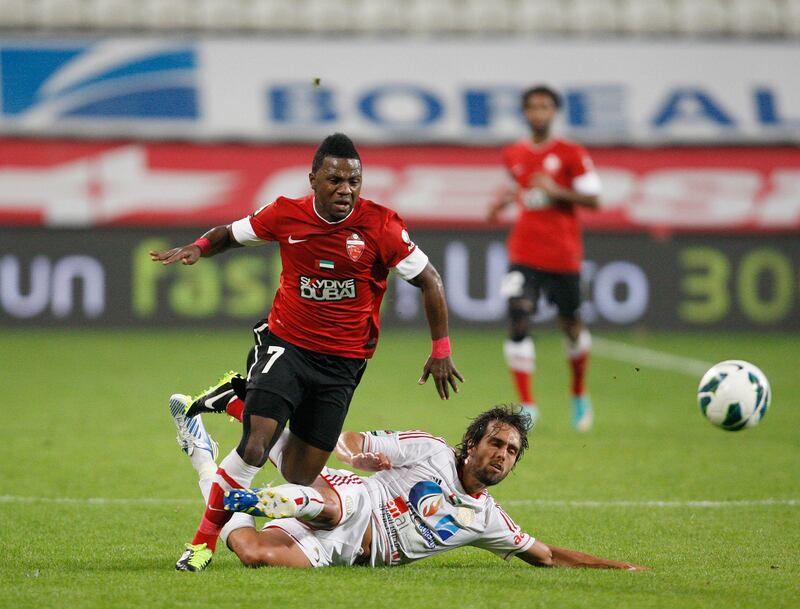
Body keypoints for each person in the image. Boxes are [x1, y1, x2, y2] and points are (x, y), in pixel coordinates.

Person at [151, 133, 464, 571]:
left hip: (344, 363)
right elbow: (230, 234)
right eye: (335, 180)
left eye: (354, 181)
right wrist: (199, 248)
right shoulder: (286, 214)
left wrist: (441, 349)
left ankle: (234, 401)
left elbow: (430, 279)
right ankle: (201, 545)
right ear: (313, 179)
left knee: (299, 472)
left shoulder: (381, 226)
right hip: (287, 344)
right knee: (255, 447)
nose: (346, 190)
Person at [169, 396, 646, 571]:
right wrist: (357, 455)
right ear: (473, 443)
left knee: (253, 553)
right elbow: (354, 437)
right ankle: (255, 472)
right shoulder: (431, 450)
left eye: (511, 451)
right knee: (330, 502)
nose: (501, 455)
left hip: (349, 551)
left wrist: (618, 567)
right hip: (354, 497)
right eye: (496, 443)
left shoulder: (486, 520)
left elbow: (546, 555)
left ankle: (204, 458)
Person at [487, 85, 601, 431]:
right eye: (533, 107)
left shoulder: (571, 154)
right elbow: (518, 185)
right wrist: (503, 202)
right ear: (525, 113)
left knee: (571, 327)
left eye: (546, 107)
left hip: (563, 255)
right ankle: (528, 405)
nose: (539, 113)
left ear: (554, 112)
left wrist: (557, 191)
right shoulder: (513, 153)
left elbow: (594, 200)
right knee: (518, 318)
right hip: (524, 253)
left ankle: (579, 393)